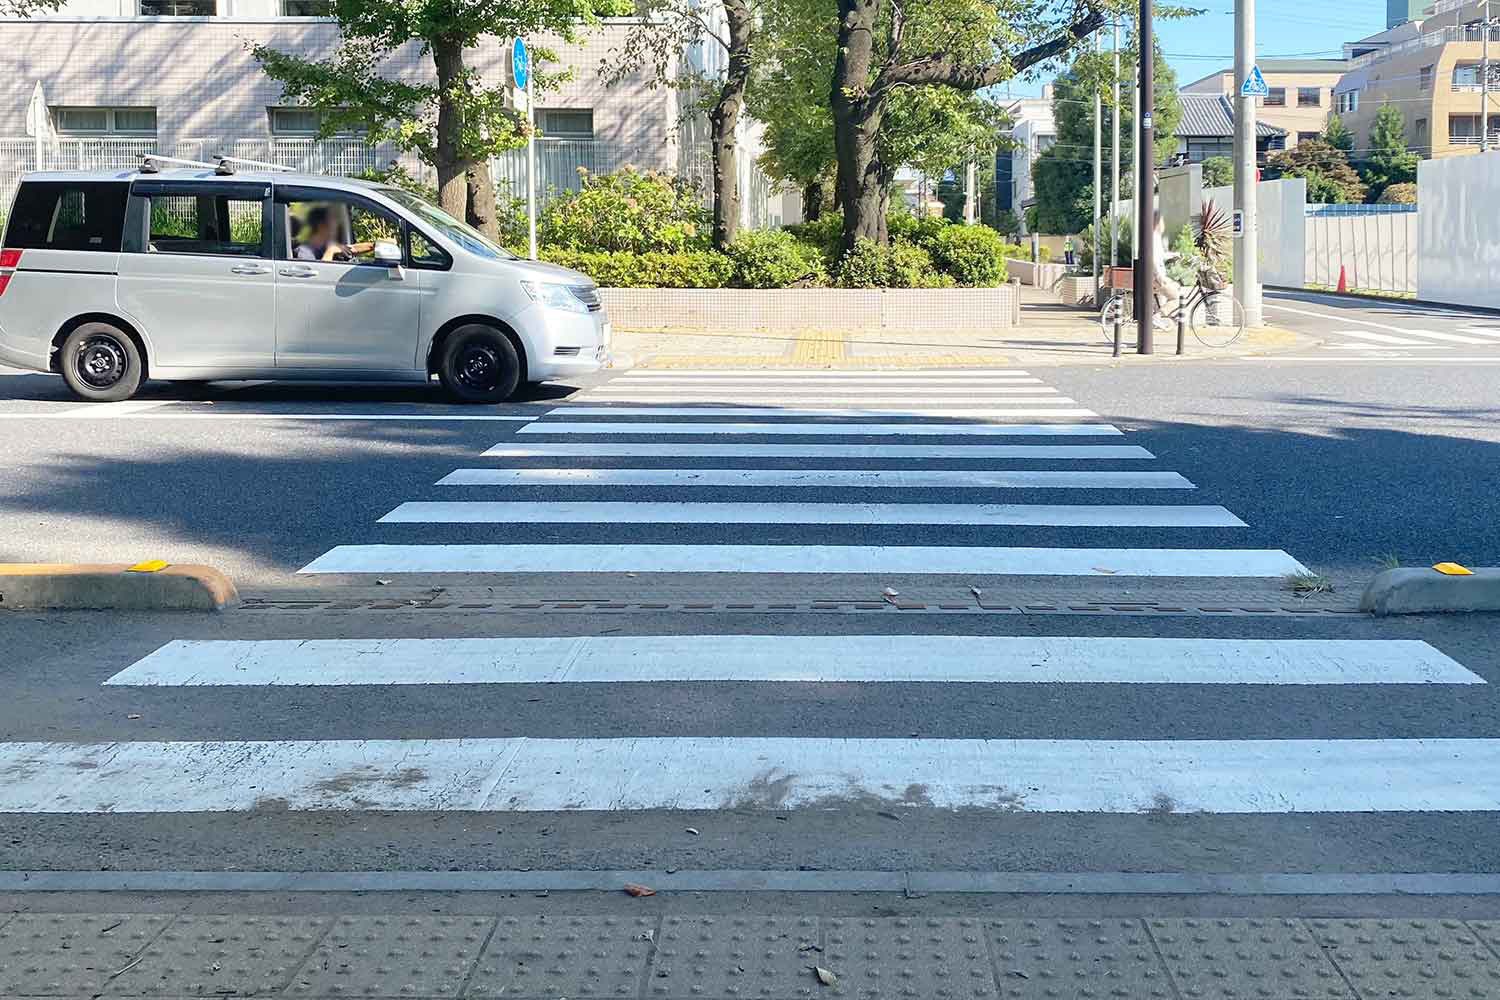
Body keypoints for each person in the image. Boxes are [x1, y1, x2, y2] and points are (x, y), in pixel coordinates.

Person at [294, 206, 374, 262]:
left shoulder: (324, 245)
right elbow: (316, 273)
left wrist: (375, 246)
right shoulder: (304, 251)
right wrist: (330, 251)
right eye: (332, 225)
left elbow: (352, 249)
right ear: (321, 226)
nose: (336, 228)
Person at [1149, 206, 1184, 329]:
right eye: (1162, 220)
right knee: (1177, 298)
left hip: (1155, 275)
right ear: (1157, 222)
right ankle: (1157, 317)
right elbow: (1153, 258)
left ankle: (1160, 314)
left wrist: (1174, 254)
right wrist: (1159, 276)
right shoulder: (1153, 237)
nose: (1164, 224)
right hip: (1155, 276)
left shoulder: (1154, 236)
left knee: (1176, 286)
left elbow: (1159, 255)